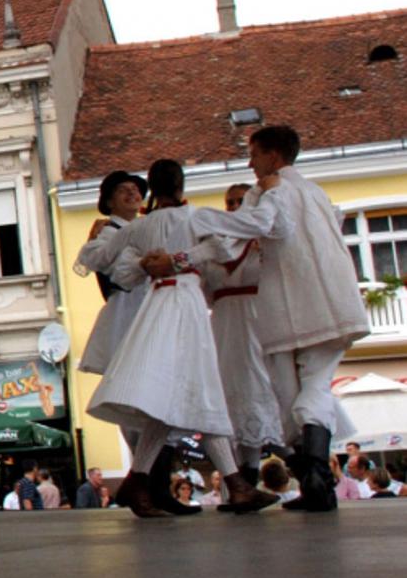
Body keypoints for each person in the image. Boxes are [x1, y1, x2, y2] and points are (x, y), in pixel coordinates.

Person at [187, 125, 371, 512]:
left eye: (254, 155)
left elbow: (246, 233)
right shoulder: (316, 193)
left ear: (273, 156)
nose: (250, 163)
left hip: (289, 309)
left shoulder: (270, 191)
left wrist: (197, 224)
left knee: (294, 399)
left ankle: (315, 480)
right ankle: (316, 481)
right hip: (322, 306)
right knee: (304, 394)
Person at [89, 160, 278, 517]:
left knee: (171, 398)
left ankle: (141, 480)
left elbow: (99, 259)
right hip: (186, 305)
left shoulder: (141, 226)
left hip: (157, 304)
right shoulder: (196, 217)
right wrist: (266, 194)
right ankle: (236, 485)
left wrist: (142, 260)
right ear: (180, 186)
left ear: (152, 188)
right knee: (200, 386)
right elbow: (257, 223)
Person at [202, 182, 282, 487]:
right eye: (230, 203)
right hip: (224, 324)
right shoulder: (214, 245)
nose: (234, 207)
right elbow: (206, 292)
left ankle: (293, 463)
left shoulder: (266, 241)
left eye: (239, 201)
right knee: (230, 389)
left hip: (258, 318)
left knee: (261, 384)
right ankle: (242, 473)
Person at [75, 171, 151, 455]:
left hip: (152, 309)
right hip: (127, 312)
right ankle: (141, 457)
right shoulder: (107, 234)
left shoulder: (148, 227)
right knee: (130, 389)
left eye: (135, 189)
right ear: (110, 202)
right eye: (123, 190)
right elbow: (98, 262)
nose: (132, 193)